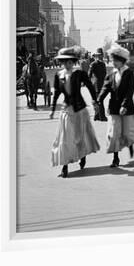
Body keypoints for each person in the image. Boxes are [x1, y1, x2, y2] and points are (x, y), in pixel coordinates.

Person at [50, 46, 100, 178]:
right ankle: (64, 167)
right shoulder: (59, 75)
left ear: (73, 62)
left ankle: (82, 156)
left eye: (70, 62)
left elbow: (89, 86)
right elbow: (56, 93)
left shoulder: (79, 74)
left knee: (79, 136)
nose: (68, 64)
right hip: (66, 110)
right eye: (65, 62)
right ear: (62, 63)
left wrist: (95, 100)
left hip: (80, 110)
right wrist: (53, 109)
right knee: (65, 138)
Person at [97, 44, 134, 168]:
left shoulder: (128, 73)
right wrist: (99, 100)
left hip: (126, 107)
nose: (114, 63)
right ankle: (115, 158)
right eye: (112, 60)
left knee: (128, 132)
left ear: (122, 61)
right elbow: (105, 88)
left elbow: (129, 91)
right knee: (114, 133)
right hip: (114, 108)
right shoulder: (111, 74)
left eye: (116, 61)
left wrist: (124, 105)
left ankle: (130, 145)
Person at [88, 47, 108, 121]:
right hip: (99, 84)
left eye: (100, 55)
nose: (100, 56)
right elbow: (105, 74)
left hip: (96, 84)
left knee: (97, 100)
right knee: (99, 100)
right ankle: (101, 116)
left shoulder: (93, 64)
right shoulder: (102, 64)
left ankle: (97, 116)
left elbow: (89, 74)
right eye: (99, 55)